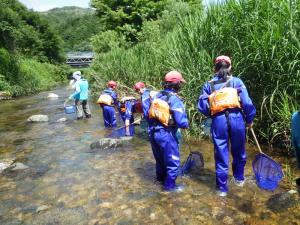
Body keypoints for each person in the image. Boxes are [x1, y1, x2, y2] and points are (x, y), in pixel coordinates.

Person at [198, 55, 256, 197]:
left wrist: (212, 114)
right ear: (230, 67)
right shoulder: (236, 81)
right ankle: (239, 180)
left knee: (221, 153)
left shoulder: (209, 85)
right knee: (239, 152)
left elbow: (202, 106)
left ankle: (222, 189)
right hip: (236, 119)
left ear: (215, 68)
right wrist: (249, 119)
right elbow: (247, 103)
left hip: (218, 121)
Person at [148, 71, 189, 192]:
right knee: (173, 161)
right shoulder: (175, 99)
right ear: (177, 84)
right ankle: (170, 187)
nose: (181, 86)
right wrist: (187, 124)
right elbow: (182, 122)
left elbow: (148, 114)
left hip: (153, 132)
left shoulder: (157, 95)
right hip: (166, 134)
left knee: (160, 160)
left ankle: (160, 180)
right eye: (180, 83)